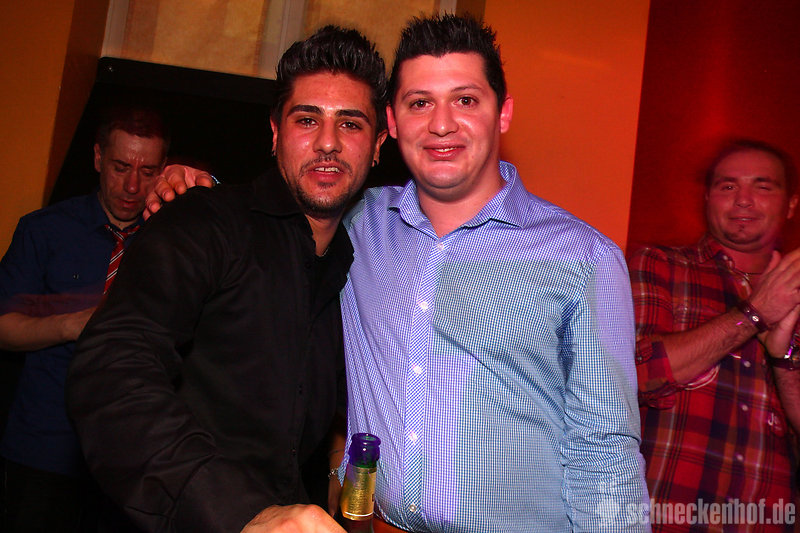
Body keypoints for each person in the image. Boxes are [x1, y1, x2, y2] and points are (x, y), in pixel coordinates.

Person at [65, 26, 387, 533]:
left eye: (350, 123)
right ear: (275, 134)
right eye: (307, 120)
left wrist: (327, 482)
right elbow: (111, 371)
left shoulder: (353, 269)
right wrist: (243, 513)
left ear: (377, 145)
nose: (328, 142)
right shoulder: (202, 222)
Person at [340, 15, 647, 532]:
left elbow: (605, 447)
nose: (441, 124)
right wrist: (200, 188)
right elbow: (267, 226)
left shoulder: (584, 257)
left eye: (465, 100)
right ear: (391, 121)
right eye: (419, 103)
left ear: (503, 113)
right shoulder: (358, 225)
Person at [0, 105, 171, 531]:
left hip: (133, 462)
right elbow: (3, 327)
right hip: (44, 449)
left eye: (148, 171)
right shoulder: (44, 230)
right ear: (97, 158)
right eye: (120, 167)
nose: (132, 186)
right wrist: (72, 324)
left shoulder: (174, 243)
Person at [629, 139, 800, 531]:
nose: (743, 200)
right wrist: (755, 314)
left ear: (791, 204)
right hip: (664, 513)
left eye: (762, 186)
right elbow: (633, 376)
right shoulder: (660, 264)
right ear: (707, 198)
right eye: (728, 186)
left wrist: (782, 361)